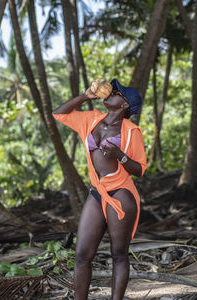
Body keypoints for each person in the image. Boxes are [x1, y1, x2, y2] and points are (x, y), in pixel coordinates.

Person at [52, 78, 147, 300]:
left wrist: (120, 155)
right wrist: (85, 96)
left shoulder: (132, 131)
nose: (111, 92)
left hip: (122, 195)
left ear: (124, 105)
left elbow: (140, 169)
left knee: (119, 255)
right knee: (82, 255)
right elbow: (59, 114)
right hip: (97, 193)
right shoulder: (92, 119)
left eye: (117, 92)